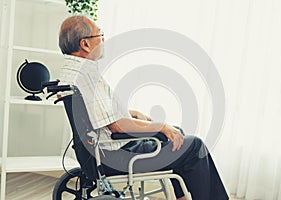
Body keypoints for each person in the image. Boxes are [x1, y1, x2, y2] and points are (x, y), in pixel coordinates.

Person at [58, 15, 228, 200]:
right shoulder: (87, 74)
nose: (103, 39)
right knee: (194, 146)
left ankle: (182, 198)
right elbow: (116, 127)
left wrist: (131, 113)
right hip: (117, 155)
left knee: (177, 134)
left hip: (100, 152)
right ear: (85, 44)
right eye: (100, 35)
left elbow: (96, 113)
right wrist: (160, 126)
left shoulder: (70, 71)